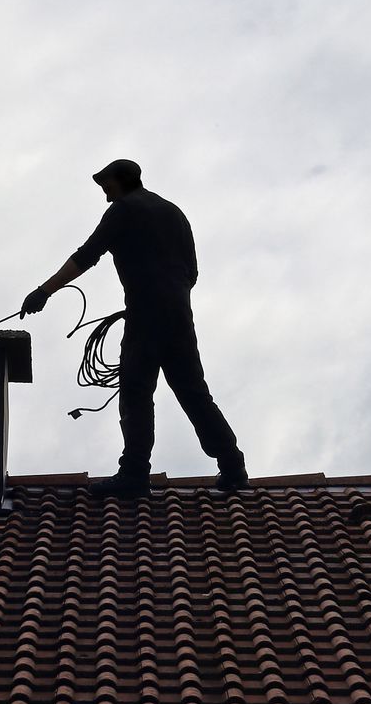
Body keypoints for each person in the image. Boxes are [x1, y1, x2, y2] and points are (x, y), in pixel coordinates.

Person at [22, 159, 248, 495]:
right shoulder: (174, 213)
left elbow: (87, 255)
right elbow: (192, 274)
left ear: (124, 181)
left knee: (135, 391)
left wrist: (44, 291)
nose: (106, 196)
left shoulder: (124, 211)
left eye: (108, 187)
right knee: (194, 393)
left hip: (146, 316)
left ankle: (134, 473)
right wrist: (167, 296)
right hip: (179, 317)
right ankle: (233, 467)